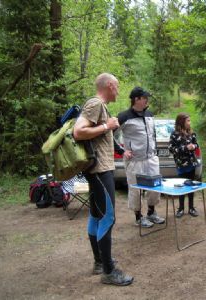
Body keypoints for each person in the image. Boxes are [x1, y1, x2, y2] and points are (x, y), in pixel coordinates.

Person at [73, 73, 133, 286]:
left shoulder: (98, 106)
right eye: (117, 86)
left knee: (97, 216)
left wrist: (110, 129)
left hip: (96, 170)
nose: (118, 90)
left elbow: (94, 135)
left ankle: (100, 262)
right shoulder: (96, 103)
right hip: (100, 170)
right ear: (109, 85)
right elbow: (78, 132)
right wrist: (107, 126)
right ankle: (108, 271)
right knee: (107, 218)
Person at [116, 87, 165, 228]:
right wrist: (121, 150)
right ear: (136, 99)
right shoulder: (124, 116)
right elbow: (109, 134)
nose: (147, 100)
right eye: (144, 98)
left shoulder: (149, 114)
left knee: (155, 186)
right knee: (135, 189)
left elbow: (152, 134)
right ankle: (138, 217)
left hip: (151, 158)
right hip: (135, 160)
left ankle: (151, 212)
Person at [168, 113, 200, 218]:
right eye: (188, 121)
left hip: (192, 164)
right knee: (181, 186)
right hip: (181, 165)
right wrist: (185, 148)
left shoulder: (192, 133)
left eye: (190, 121)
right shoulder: (174, 134)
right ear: (182, 122)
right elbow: (171, 149)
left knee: (191, 186)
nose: (190, 123)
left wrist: (193, 146)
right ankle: (181, 208)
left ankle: (191, 208)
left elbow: (197, 145)